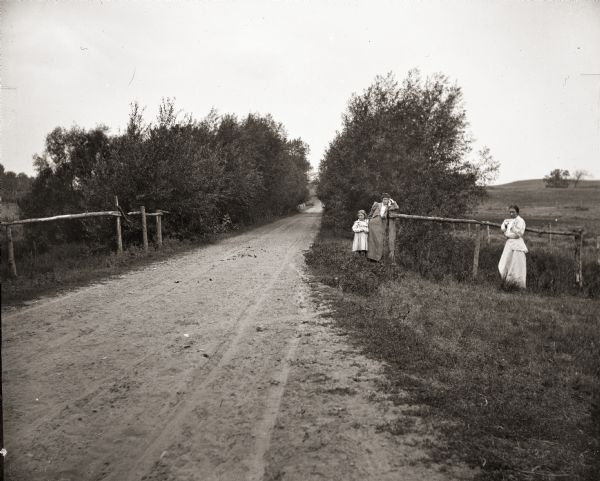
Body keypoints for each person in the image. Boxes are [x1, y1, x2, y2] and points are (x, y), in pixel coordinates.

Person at [498, 205, 528, 288]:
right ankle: (507, 282)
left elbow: (518, 234)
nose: (511, 214)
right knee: (505, 262)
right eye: (510, 212)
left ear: (517, 212)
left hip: (517, 245)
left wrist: (508, 233)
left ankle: (517, 284)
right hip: (509, 244)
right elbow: (503, 229)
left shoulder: (520, 221)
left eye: (513, 212)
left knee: (516, 264)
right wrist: (505, 225)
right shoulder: (510, 221)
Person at [367, 193, 399, 262]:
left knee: (379, 240)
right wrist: (369, 219)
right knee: (371, 240)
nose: (385, 201)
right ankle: (370, 257)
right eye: (384, 199)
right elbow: (371, 212)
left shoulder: (389, 206)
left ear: (389, 200)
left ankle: (377, 258)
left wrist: (392, 201)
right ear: (382, 199)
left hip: (382, 224)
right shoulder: (377, 204)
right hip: (373, 223)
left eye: (387, 199)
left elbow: (396, 207)